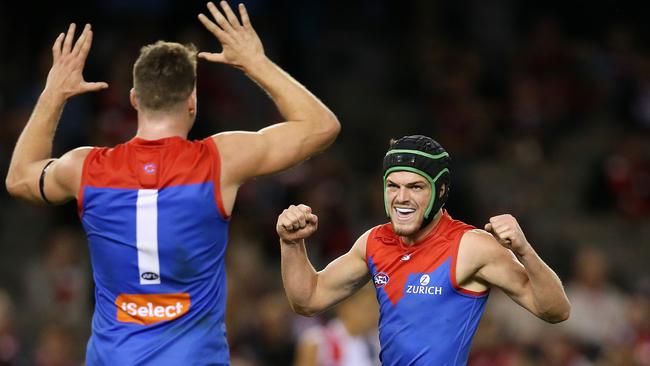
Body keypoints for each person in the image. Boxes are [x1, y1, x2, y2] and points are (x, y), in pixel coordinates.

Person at [5, 1, 340, 365]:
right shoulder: (220, 160)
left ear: (134, 99)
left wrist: (53, 93)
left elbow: (20, 177)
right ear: (192, 101)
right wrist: (254, 63)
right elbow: (321, 126)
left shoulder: (85, 167)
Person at [276, 135, 570, 365]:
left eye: (416, 187)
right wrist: (291, 243)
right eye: (393, 185)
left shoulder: (471, 246)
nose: (401, 198)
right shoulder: (374, 242)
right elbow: (308, 299)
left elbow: (555, 310)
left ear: (440, 191)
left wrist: (524, 250)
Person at [293, 283, 380, 366]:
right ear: (345, 307)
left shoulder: (377, 344)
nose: (373, 315)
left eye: (375, 309)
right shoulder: (317, 342)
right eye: (367, 309)